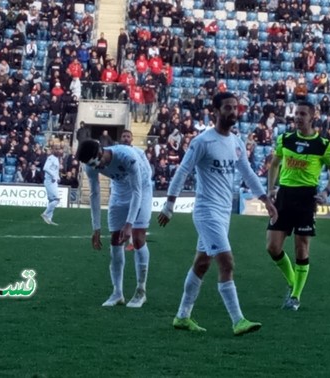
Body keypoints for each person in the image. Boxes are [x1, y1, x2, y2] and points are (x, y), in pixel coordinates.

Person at [158, 92, 278, 336]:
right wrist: (169, 205)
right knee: (227, 262)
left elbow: (248, 173)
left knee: (202, 264)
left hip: (223, 214)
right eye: (227, 108)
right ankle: (238, 320)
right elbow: (182, 172)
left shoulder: (236, 142)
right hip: (206, 212)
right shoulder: (203, 142)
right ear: (216, 111)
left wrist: (266, 200)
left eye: (235, 108)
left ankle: (182, 317)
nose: (233, 112)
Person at [265, 101, 330, 311]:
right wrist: (271, 188)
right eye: (296, 113)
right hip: (284, 196)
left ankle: (295, 296)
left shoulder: (324, 145)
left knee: (301, 247)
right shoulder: (285, 139)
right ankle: (292, 282)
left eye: (303, 114)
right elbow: (274, 164)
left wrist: (326, 191)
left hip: (307, 198)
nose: (298, 117)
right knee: (272, 246)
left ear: (312, 116)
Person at [76, 138, 154, 308]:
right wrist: (96, 228)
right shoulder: (89, 165)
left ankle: (141, 291)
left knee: (138, 238)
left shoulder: (127, 157)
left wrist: (129, 223)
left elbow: (137, 191)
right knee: (115, 241)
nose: (97, 168)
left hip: (141, 188)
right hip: (119, 190)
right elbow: (95, 194)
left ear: (100, 153)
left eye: (97, 164)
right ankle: (117, 293)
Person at [40, 145, 63, 225]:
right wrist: (54, 176)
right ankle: (45, 214)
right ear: (53, 150)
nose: (58, 151)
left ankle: (49, 219)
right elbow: (45, 168)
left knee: (52, 200)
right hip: (49, 181)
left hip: (53, 181)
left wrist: (58, 177)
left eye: (59, 149)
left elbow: (55, 170)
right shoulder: (51, 158)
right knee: (56, 199)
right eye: (56, 149)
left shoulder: (57, 159)